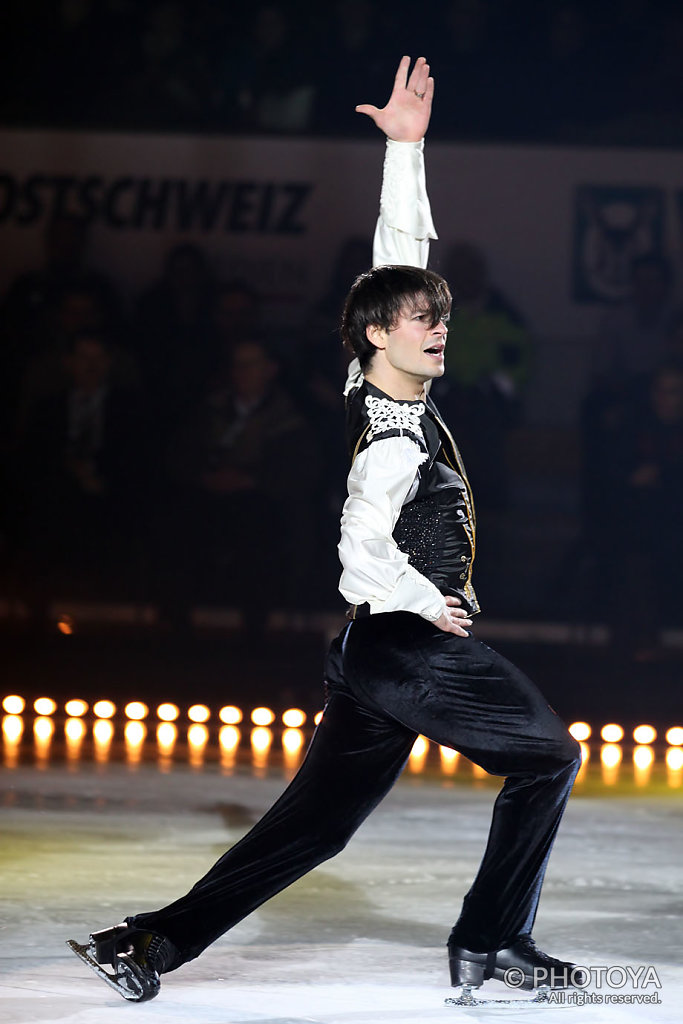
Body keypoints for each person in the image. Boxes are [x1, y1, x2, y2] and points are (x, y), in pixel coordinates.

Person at [68, 56, 584, 1003]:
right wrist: (431, 601)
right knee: (549, 755)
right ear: (378, 339)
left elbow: (398, 259)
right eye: (421, 322)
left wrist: (407, 151)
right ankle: (492, 937)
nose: (438, 329)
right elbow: (358, 551)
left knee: (313, 828)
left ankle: (145, 944)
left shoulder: (368, 383)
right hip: (401, 640)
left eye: (439, 318)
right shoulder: (389, 441)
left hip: (368, 657)